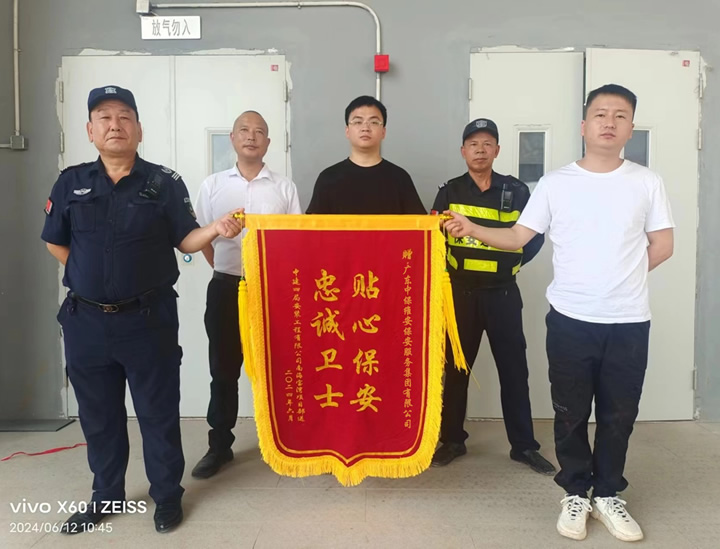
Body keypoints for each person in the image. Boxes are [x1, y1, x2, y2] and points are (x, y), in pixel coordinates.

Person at [443, 84, 674, 543]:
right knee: (570, 412)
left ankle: (608, 493)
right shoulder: (555, 183)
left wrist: (621, 277)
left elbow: (663, 245)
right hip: (570, 319)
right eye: (601, 114)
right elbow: (517, 237)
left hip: (628, 320)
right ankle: (575, 491)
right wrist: (472, 228)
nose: (609, 122)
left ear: (630, 128)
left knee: (619, 413)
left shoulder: (647, 182)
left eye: (620, 115)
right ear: (584, 125)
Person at [41, 85, 243, 534]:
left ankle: (167, 496)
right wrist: (89, 277)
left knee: (157, 413)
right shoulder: (71, 182)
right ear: (90, 130)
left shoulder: (163, 183)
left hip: (148, 321)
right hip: (86, 322)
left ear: (139, 129)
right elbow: (55, 240)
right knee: (99, 417)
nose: (115, 125)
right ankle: (106, 495)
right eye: (105, 117)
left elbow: (185, 240)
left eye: (124, 117)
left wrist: (215, 229)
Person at [430, 118, 555, 476]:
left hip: (502, 294)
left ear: (497, 150)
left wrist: (510, 264)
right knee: (456, 370)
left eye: (487, 143)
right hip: (461, 294)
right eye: (473, 144)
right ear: (463, 151)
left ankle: (524, 446)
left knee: (514, 371)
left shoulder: (516, 190)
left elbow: (533, 237)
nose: (480, 150)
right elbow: (433, 237)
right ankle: (452, 440)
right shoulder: (450, 191)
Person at [191, 111, 302, 479]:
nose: (251, 137)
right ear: (233, 139)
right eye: (244, 130)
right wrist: (223, 268)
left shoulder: (284, 188)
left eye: (259, 132)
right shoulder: (213, 186)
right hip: (226, 288)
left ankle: (285, 440)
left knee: (279, 366)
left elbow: (295, 242)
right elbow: (202, 237)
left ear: (268, 142)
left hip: (273, 291)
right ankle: (219, 446)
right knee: (223, 368)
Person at [306, 95, 426, 214]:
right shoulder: (328, 178)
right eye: (358, 122)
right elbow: (314, 224)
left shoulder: (400, 178)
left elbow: (419, 223)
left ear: (383, 132)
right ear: (347, 131)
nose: (365, 128)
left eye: (374, 122)